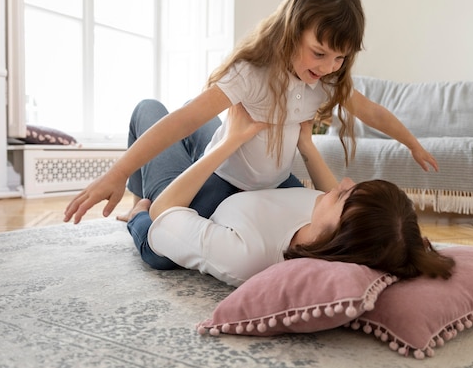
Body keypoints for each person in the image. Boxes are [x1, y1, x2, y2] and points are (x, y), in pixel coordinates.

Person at [63, 0, 438, 225]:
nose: (328, 67)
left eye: (340, 58)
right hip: (224, 177)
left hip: (275, 182)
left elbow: (372, 111)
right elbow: (183, 120)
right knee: (168, 230)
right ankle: (141, 204)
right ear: (292, 32)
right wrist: (117, 172)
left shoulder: (325, 81)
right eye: (319, 53)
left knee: (327, 226)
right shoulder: (252, 73)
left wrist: (412, 144)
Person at [128, 102, 454, 287]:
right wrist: (306, 143)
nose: (342, 184)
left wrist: (229, 143)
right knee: (198, 113)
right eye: (352, 189)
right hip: (237, 186)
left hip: (192, 203)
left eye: (343, 197)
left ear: (336, 236)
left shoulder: (247, 256)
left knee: (150, 109)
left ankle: (132, 210)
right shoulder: (324, 225)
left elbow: (165, 211)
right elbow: (335, 200)